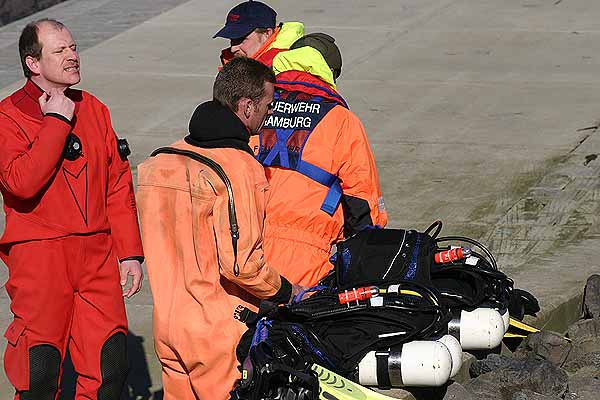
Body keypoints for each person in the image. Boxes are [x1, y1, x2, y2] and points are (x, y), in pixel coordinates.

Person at [136, 57, 304, 400]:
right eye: (267, 105)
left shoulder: (160, 162)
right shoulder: (240, 169)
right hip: (217, 329)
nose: (269, 114)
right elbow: (242, 266)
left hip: (167, 325)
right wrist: (289, 292)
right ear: (246, 106)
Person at [0, 19, 144, 400]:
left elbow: (117, 183)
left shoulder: (94, 109)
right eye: (60, 50)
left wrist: (130, 252)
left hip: (97, 255)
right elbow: (20, 182)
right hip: (40, 254)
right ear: (33, 63)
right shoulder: (7, 116)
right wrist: (56, 121)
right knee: (39, 370)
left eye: (74, 48)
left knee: (110, 365)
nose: (72, 56)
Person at [253, 33, 388, 286]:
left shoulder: (255, 108)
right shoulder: (342, 120)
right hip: (305, 255)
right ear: (329, 73)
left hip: (245, 247)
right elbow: (362, 202)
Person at [213, 0, 304, 67]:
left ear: (267, 34)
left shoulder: (286, 70)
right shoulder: (239, 64)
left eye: (241, 39)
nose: (233, 49)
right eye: (232, 40)